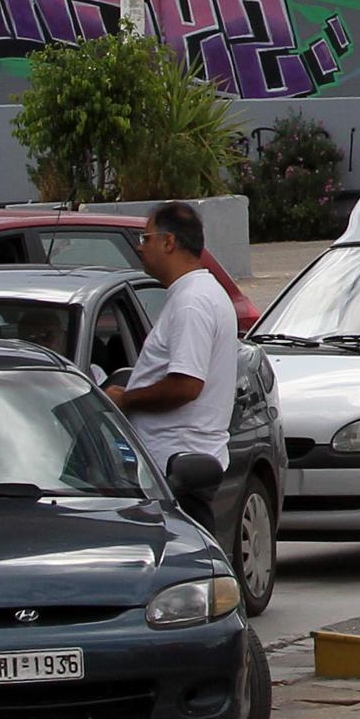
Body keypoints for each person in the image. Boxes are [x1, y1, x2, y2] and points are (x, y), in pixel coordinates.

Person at [107, 202, 238, 510]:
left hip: (177, 469)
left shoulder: (192, 301)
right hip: (178, 465)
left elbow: (186, 386)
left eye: (146, 238)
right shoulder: (196, 294)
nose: (140, 248)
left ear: (169, 242)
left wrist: (126, 399)